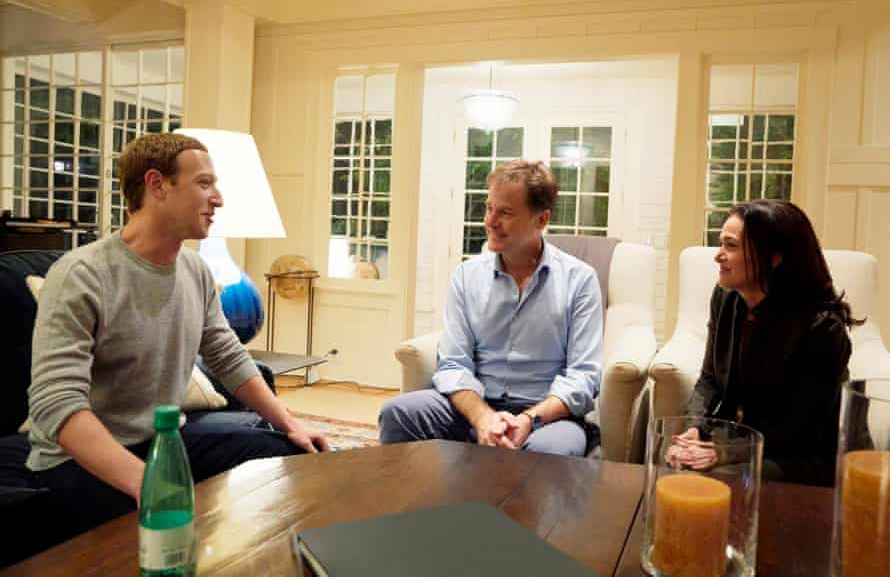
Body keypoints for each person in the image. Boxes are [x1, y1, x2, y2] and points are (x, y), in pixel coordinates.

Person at [26, 132, 329, 541]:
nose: (217, 198)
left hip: (164, 442)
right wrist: (146, 482)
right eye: (204, 183)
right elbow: (56, 403)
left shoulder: (195, 270)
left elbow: (227, 355)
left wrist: (290, 424)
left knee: (294, 459)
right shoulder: (82, 275)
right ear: (157, 185)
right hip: (77, 461)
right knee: (167, 533)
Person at [379, 160, 603, 457]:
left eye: (505, 212)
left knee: (551, 451)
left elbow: (583, 377)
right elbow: (454, 364)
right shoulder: (467, 275)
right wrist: (483, 418)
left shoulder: (580, 280)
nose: (490, 221)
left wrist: (527, 419)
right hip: (475, 407)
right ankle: (420, 503)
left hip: (546, 418)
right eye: (489, 208)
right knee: (398, 412)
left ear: (541, 219)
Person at [673, 199, 859, 486]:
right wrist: (694, 429)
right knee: (678, 461)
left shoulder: (822, 329)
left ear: (773, 257)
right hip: (744, 443)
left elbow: (800, 429)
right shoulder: (726, 297)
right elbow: (710, 377)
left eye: (730, 246)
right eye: (720, 243)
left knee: (720, 480)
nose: (718, 255)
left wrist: (723, 454)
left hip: (804, 458)